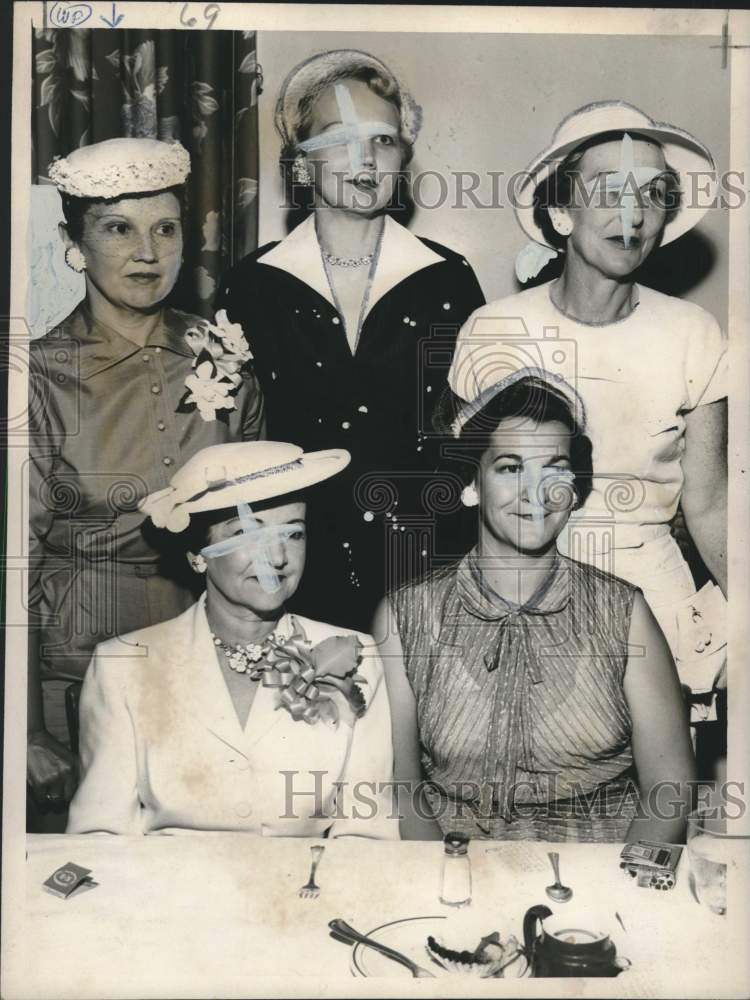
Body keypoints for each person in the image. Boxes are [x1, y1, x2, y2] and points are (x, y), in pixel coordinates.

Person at [448, 102, 727, 714]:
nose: (633, 214)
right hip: (522, 591)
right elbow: (478, 496)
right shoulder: (494, 330)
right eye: (608, 191)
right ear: (560, 212)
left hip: (656, 599)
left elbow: (710, 505)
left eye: (653, 194)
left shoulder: (694, 332)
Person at [28, 138, 265, 818]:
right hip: (76, 672)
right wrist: (28, 730)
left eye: (165, 229)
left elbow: (259, 521)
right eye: (117, 229)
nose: (147, 252)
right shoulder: (38, 377)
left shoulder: (224, 356)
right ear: (75, 244)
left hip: (210, 663)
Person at [217, 49, 485, 632]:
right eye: (340, 139)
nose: (366, 159)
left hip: (429, 565)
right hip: (294, 567)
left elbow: (473, 432)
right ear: (302, 163)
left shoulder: (448, 279)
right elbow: (233, 441)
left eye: (383, 141)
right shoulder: (252, 286)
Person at [374, 373, 696, 842]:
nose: (536, 492)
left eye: (554, 468)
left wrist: (625, 882)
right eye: (510, 468)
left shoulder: (625, 613)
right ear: (471, 483)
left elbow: (670, 790)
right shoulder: (405, 616)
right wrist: (441, 879)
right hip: (455, 867)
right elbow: (401, 790)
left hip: (605, 867)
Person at [67, 441, 397, 838]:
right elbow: (99, 836)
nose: (278, 557)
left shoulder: (356, 655)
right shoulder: (123, 665)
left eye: (294, 533)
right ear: (198, 554)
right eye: (247, 533)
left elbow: (367, 833)